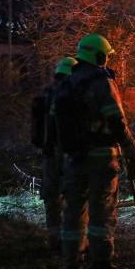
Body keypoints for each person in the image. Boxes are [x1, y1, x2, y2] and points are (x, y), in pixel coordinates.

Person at [56, 34, 135, 269]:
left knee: (73, 211)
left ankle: (70, 262)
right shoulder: (101, 82)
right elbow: (116, 120)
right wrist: (130, 149)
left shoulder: (68, 83)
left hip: (74, 158)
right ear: (100, 56)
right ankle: (101, 264)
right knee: (101, 211)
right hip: (102, 157)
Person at [40, 57, 76, 252]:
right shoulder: (70, 94)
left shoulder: (46, 94)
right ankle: (72, 240)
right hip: (68, 154)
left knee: (52, 197)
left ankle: (54, 238)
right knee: (73, 196)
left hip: (48, 154)